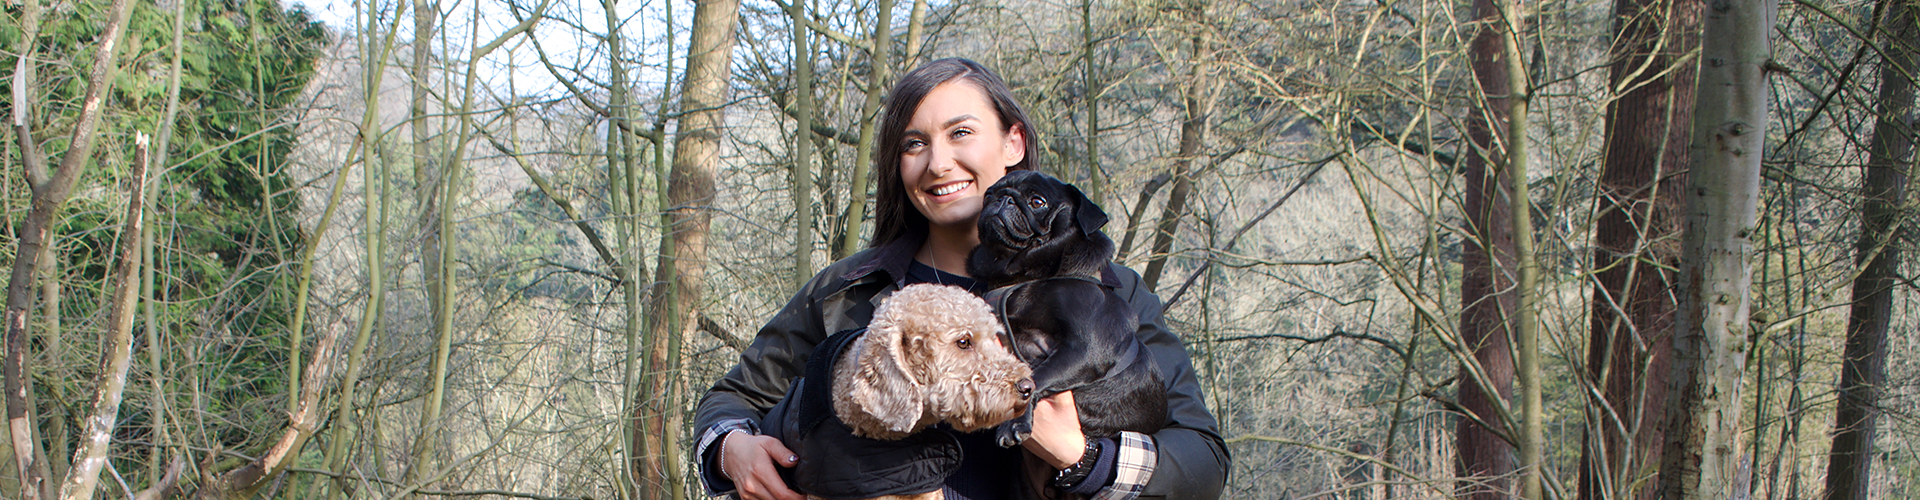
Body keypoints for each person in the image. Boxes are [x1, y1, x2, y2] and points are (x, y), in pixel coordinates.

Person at [692, 57, 1229, 500]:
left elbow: (1203, 462)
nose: (939, 163)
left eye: (962, 133)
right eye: (914, 144)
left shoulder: (1109, 291)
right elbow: (731, 400)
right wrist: (731, 450)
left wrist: (1083, 457)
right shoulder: (846, 290)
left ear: (1013, 143)